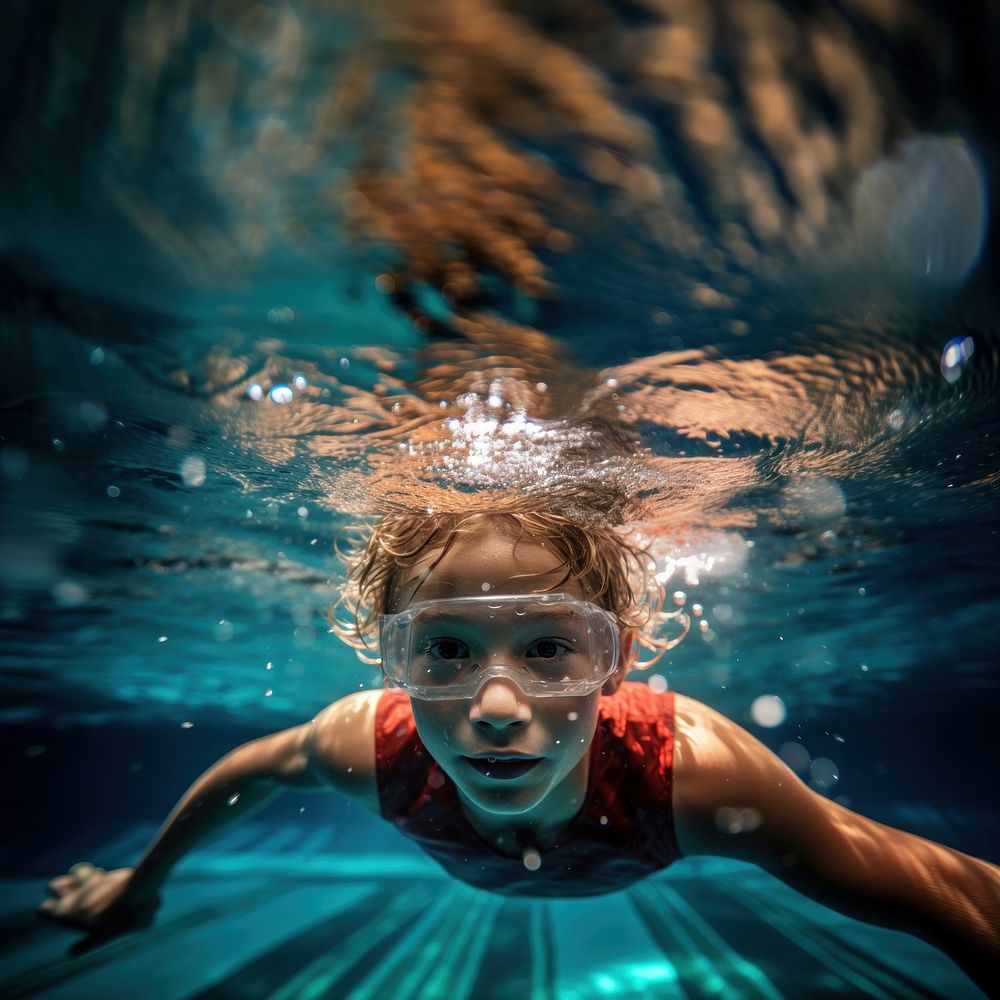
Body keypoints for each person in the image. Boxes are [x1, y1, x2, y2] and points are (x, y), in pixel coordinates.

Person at [40, 510, 999, 994]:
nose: (498, 709)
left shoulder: (692, 776)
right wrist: (141, 888)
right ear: (395, 663)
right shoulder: (368, 745)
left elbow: (955, 894)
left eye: (550, 648)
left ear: (616, 661)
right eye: (446, 651)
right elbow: (241, 774)